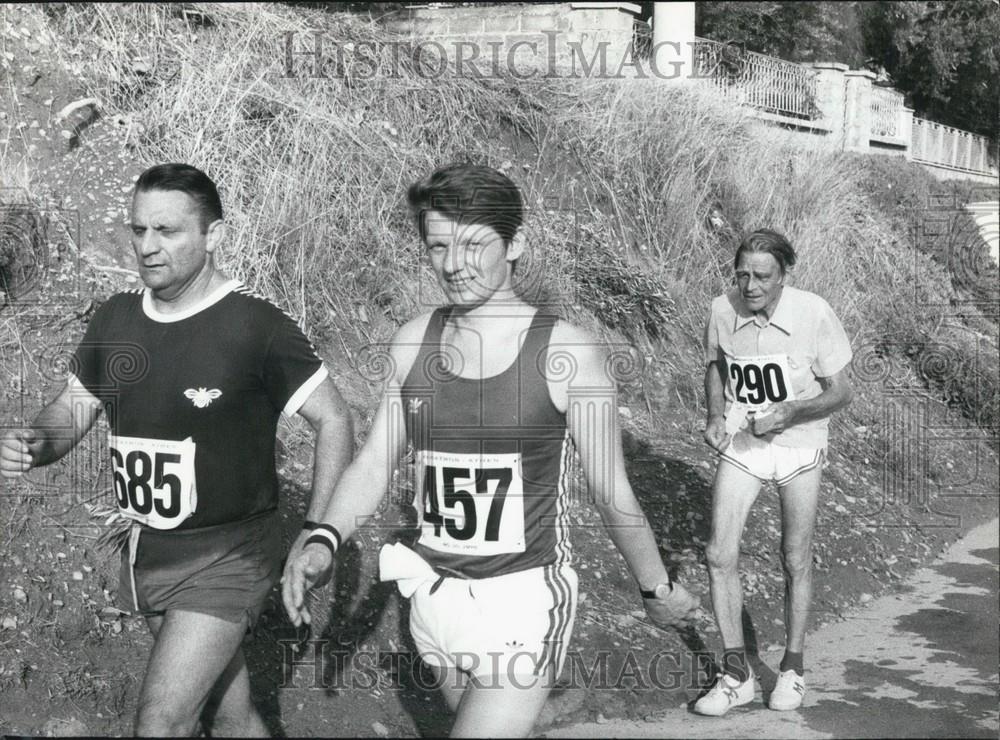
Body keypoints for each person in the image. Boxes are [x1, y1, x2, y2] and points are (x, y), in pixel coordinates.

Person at [282, 163, 699, 738]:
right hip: (434, 601)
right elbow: (375, 464)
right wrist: (324, 541)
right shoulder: (413, 341)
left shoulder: (568, 353)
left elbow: (610, 490)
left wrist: (657, 589)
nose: (454, 264)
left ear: (515, 244)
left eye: (474, 244)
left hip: (523, 603)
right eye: (438, 246)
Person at [0, 163, 354, 736]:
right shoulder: (116, 317)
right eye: (139, 230)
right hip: (146, 552)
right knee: (229, 717)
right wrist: (37, 442)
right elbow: (74, 408)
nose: (148, 246)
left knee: (161, 722)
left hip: (230, 557)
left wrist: (319, 531)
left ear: (213, 236)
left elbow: (335, 418)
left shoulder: (254, 325)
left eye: (168, 231)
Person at [696, 229, 854, 716]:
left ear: (784, 275)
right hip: (745, 442)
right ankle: (737, 674)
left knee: (793, 556)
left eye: (762, 276)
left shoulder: (813, 312)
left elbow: (841, 391)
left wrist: (791, 413)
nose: (750, 286)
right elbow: (717, 368)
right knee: (719, 554)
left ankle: (793, 667)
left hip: (799, 444)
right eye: (742, 274)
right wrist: (715, 417)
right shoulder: (722, 310)